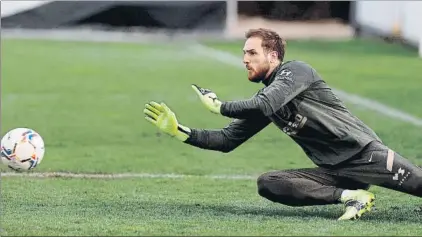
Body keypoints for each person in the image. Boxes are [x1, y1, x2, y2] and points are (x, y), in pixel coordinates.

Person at [143, 28, 422, 220]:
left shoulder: (296, 71)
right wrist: (179, 131)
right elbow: (227, 140)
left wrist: (218, 106)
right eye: (244, 53)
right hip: (334, 170)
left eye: (252, 53)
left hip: (364, 155)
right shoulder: (267, 99)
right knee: (269, 183)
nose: (244, 60)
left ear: (273, 56)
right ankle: (352, 196)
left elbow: (263, 105)